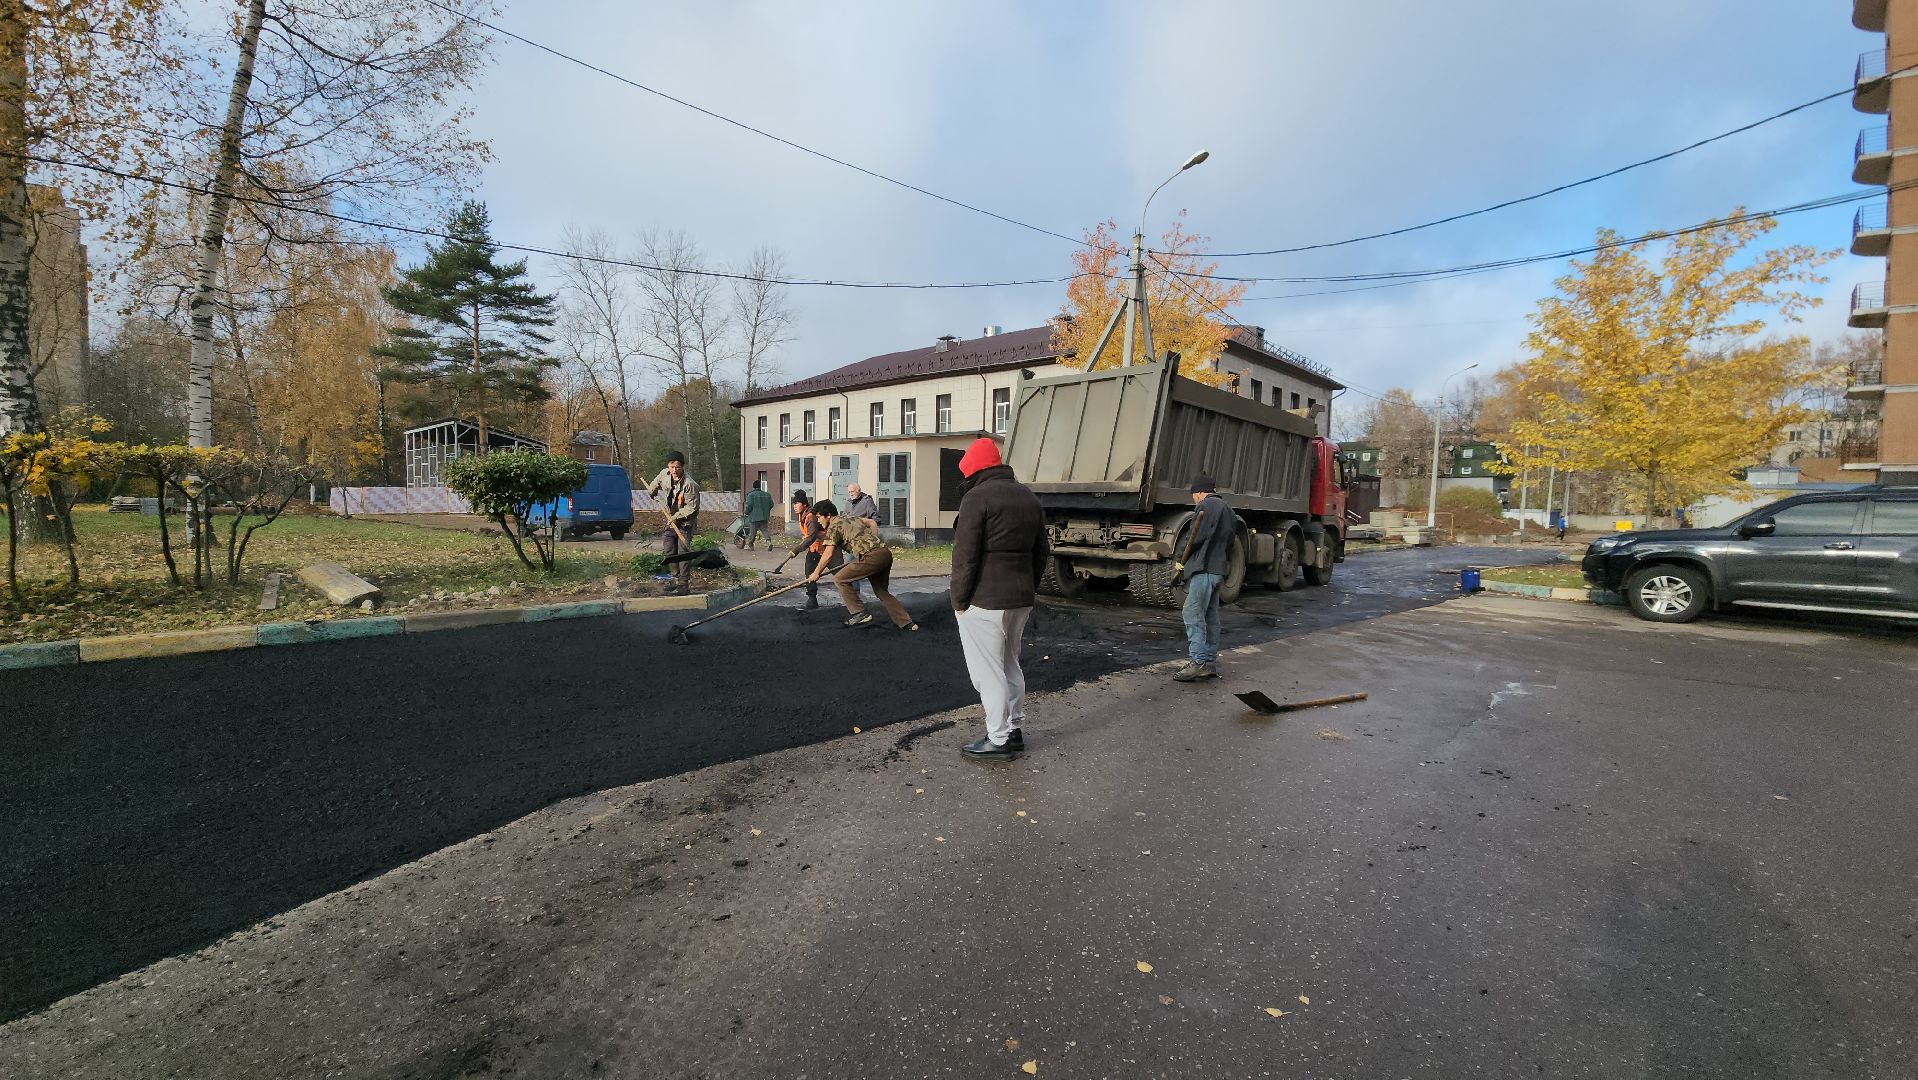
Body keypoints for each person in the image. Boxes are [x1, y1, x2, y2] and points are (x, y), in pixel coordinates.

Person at [949, 437, 1048, 760]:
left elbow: (965, 557)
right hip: (1020, 597)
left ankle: (999, 739)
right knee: (1009, 664)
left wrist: (959, 601)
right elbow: (1041, 551)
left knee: (988, 671)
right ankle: (1014, 729)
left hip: (985, 598)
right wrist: (1029, 588)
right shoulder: (1028, 497)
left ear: (974, 469)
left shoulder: (977, 499)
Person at [807, 499, 917, 631]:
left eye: (819, 517)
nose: (818, 521)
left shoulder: (834, 526)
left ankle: (859, 613)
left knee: (840, 579)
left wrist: (816, 573)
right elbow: (871, 522)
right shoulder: (851, 518)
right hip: (884, 553)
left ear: (828, 515)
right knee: (881, 591)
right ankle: (907, 623)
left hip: (871, 557)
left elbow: (828, 554)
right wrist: (873, 541)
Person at [1173, 475, 1232, 682]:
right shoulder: (1228, 509)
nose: (1194, 500)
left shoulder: (1205, 506)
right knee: (1210, 616)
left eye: (1194, 496)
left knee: (1192, 612)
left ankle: (1197, 662)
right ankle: (1208, 662)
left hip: (1204, 568)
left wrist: (1180, 560)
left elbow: (1194, 537)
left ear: (1198, 492)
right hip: (1218, 570)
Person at [644, 451, 701, 595]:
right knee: (669, 548)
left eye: (677, 467)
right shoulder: (664, 474)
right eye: (671, 466)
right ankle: (674, 578)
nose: (674, 470)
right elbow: (655, 484)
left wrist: (677, 516)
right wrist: (652, 491)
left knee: (683, 552)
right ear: (668, 466)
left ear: (682, 467)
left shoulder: (690, 485)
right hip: (669, 518)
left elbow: (692, 507)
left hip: (685, 521)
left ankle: (683, 583)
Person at [776, 490, 839, 609]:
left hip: (828, 548)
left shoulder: (810, 517)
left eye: (797, 503)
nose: (794, 506)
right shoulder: (803, 516)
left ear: (804, 504)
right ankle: (812, 600)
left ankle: (853, 596)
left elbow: (812, 536)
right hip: (814, 549)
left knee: (840, 573)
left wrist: (796, 550)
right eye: (793, 503)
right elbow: (808, 536)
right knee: (809, 574)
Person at [739, 483, 774, 551]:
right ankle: (769, 542)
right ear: (759, 486)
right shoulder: (767, 495)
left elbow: (749, 505)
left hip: (754, 517)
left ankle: (751, 545)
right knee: (765, 531)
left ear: (753, 487)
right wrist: (766, 511)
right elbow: (771, 504)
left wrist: (746, 512)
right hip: (764, 517)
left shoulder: (751, 495)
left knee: (752, 533)